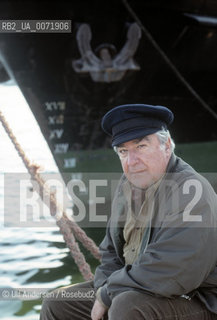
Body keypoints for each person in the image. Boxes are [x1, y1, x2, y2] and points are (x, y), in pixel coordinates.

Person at [40, 104, 217, 320]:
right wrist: (103, 287)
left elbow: (174, 268)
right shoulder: (128, 187)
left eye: (141, 146)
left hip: (201, 300)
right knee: (58, 303)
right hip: (142, 288)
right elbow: (111, 252)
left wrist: (107, 294)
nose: (132, 161)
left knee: (127, 306)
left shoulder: (191, 191)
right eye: (124, 151)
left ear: (167, 146)